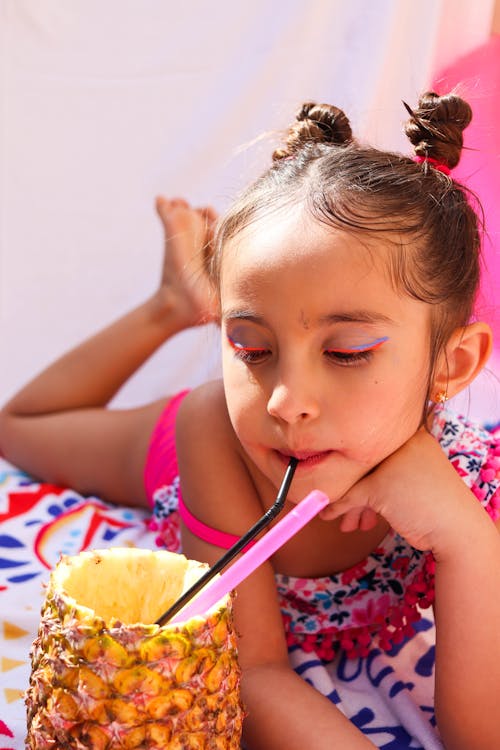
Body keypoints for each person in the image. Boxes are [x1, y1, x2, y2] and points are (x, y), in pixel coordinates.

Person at [1, 92, 499, 750]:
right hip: (186, 453)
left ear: (452, 364)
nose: (284, 399)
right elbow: (256, 671)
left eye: (346, 353)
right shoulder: (218, 434)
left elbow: (481, 734)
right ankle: (176, 305)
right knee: (20, 427)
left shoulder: (468, 483)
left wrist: (466, 541)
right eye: (253, 349)